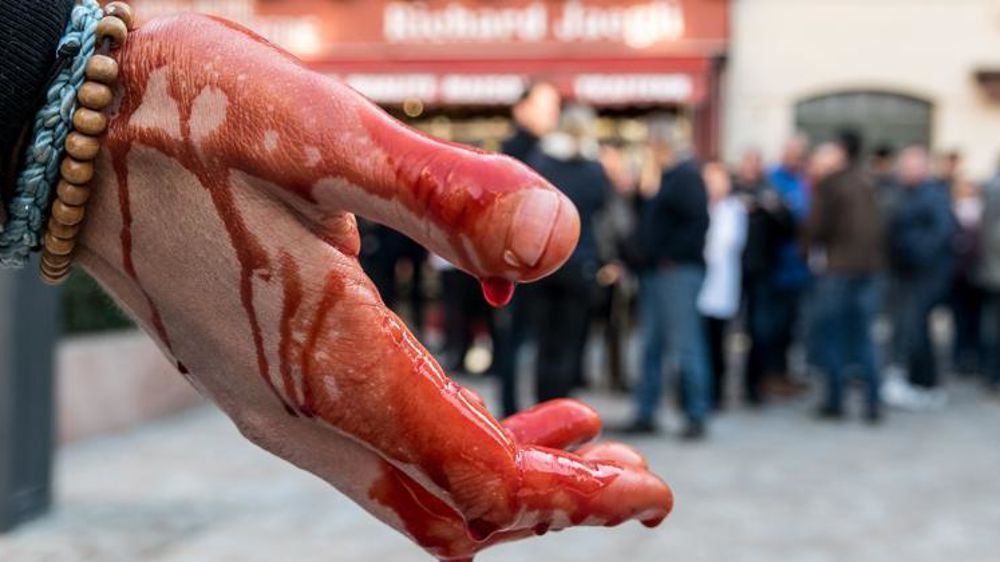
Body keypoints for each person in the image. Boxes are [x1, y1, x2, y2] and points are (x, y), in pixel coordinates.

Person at [623, 118, 712, 439]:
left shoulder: (686, 177)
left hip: (675, 272)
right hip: (656, 271)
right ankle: (646, 411)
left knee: (685, 346)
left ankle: (695, 413)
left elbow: (697, 223)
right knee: (652, 346)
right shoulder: (662, 179)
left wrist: (669, 257)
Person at [525, 104, 609, 402]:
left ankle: (542, 403)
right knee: (570, 340)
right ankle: (562, 405)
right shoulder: (593, 169)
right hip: (580, 260)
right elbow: (602, 208)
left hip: (544, 260)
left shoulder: (542, 161)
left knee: (544, 341)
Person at [803, 131, 885, 423]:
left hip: (838, 270)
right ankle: (873, 402)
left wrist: (806, 252)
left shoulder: (830, 184)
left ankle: (835, 400)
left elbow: (814, 228)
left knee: (833, 336)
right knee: (865, 337)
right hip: (870, 270)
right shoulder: (867, 182)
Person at [492, 80, 562, 416]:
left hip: (535, 264)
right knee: (516, 340)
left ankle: (525, 410)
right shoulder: (518, 152)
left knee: (532, 340)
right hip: (516, 263)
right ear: (522, 109)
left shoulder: (547, 150)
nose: (553, 114)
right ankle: (514, 412)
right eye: (545, 106)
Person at [883, 146, 956, 409]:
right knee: (908, 327)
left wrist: (912, 251)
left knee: (917, 328)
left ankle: (925, 384)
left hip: (925, 274)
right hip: (905, 272)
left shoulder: (933, 195)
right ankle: (912, 380)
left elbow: (942, 233)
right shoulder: (901, 192)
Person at [735, 148, 793, 405]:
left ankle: (754, 385)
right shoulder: (732, 190)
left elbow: (788, 228)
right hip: (732, 272)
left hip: (761, 271)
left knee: (758, 330)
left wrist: (772, 209)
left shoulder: (769, 191)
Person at [765, 135, 813, 395]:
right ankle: (771, 375)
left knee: (792, 328)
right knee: (774, 327)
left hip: (798, 269)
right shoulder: (773, 178)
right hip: (777, 267)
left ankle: (784, 374)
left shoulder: (805, 181)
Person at [698, 161, 748, 409]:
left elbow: (723, 244)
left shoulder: (733, 209)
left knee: (717, 341)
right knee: (699, 342)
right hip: (699, 284)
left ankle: (716, 392)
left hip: (719, 284)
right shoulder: (699, 207)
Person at [949, 177, 985, 376]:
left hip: (973, 273)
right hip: (960, 274)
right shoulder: (954, 209)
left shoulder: (980, 210)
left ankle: (970, 357)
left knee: (972, 319)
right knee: (961, 319)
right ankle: (962, 357)